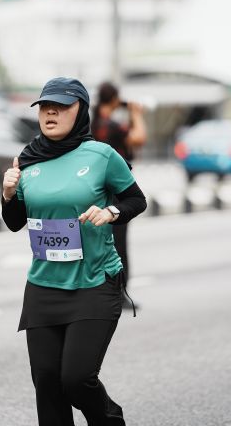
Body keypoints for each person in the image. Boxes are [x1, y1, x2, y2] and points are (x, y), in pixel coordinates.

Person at [2, 77, 146, 426]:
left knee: (77, 379)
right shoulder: (27, 159)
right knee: (47, 384)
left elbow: (136, 199)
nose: (50, 112)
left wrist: (111, 212)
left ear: (80, 111)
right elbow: (15, 222)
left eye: (61, 106)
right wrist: (7, 195)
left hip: (94, 283)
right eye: (45, 106)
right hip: (43, 287)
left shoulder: (101, 155)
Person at [91, 82, 147, 303]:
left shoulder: (92, 123)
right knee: (118, 244)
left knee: (96, 241)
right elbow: (139, 138)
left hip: (93, 188)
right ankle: (119, 293)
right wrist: (136, 114)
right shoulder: (112, 126)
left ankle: (98, 289)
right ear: (114, 99)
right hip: (115, 191)